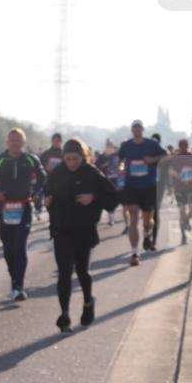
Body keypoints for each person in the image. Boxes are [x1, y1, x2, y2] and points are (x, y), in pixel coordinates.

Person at [43, 138, 118, 332]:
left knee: (82, 271)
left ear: (82, 157)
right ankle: (64, 314)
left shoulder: (92, 173)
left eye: (75, 159)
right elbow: (47, 193)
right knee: (64, 273)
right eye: (68, 159)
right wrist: (47, 201)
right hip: (61, 230)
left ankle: (88, 302)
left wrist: (93, 197)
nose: (71, 163)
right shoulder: (57, 173)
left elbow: (113, 198)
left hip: (84, 230)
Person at [0, 128, 47, 300]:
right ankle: (15, 278)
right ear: (7, 142)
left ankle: (18, 286)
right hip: (5, 208)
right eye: (12, 140)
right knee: (8, 249)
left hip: (24, 207)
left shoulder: (31, 159)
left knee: (20, 246)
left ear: (23, 142)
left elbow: (43, 178)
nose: (15, 143)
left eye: (18, 140)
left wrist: (35, 193)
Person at [118, 120, 166, 265]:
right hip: (131, 185)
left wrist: (152, 159)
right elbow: (120, 161)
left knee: (147, 220)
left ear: (143, 129)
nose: (137, 130)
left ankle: (147, 234)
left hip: (148, 186)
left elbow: (165, 155)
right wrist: (121, 169)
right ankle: (135, 253)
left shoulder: (151, 144)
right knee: (133, 219)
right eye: (134, 128)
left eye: (139, 128)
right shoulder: (126, 145)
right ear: (132, 130)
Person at [169, 138, 192, 245]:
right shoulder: (175, 158)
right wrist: (182, 178)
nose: (184, 148)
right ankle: (183, 236)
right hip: (179, 188)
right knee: (182, 212)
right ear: (179, 146)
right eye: (182, 146)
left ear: (188, 146)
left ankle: (186, 221)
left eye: (186, 146)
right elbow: (171, 171)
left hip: (191, 188)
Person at [93, 139, 121, 226]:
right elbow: (96, 166)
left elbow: (123, 164)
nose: (109, 147)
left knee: (115, 198)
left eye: (110, 145)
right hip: (106, 180)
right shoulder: (102, 157)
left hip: (116, 179)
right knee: (105, 198)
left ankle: (111, 218)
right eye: (108, 145)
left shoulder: (117, 155)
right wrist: (104, 165)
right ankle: (107, 218)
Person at [37, 133, 65, 221]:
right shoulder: (46, 154)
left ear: (61, 142)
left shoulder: (64, 153)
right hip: (49, 183)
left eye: (58, 141)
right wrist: (46, 167)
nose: (56, 142)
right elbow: (39, 165)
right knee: (50, 206)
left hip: (62, 184)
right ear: (52, 141)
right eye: (54, 141)